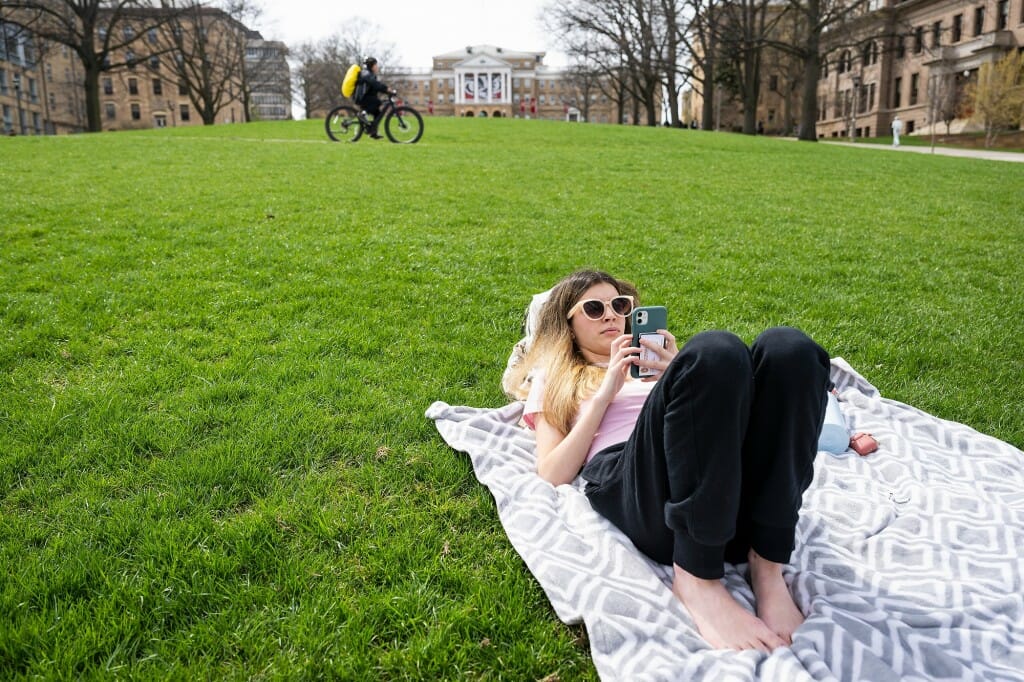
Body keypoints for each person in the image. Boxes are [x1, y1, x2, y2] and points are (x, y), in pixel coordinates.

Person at [512, 269, 831, 652]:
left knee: (790, 348)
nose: (611, 315)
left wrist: (684, 375)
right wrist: (605, 393)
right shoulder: (558, 377)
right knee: (716, 349)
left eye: (620, 305)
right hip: (643, 491)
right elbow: (551, 472)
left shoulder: (664, 365)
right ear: (567, 323)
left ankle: (767, 564)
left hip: (728, 493)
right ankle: (696, 576)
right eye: (594, 309)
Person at [355, 56, 395, 140]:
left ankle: (373, 132)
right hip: (362, 98)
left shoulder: (369, 74)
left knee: (377, 112)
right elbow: (375, 84)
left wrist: (386, 91)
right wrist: (386, 89)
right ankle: (362, 114)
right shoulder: (366, 74)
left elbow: (375, 87)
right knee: (377, 102)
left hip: (366, 97)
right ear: (371, 66)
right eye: (376, 65)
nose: (377, 67)